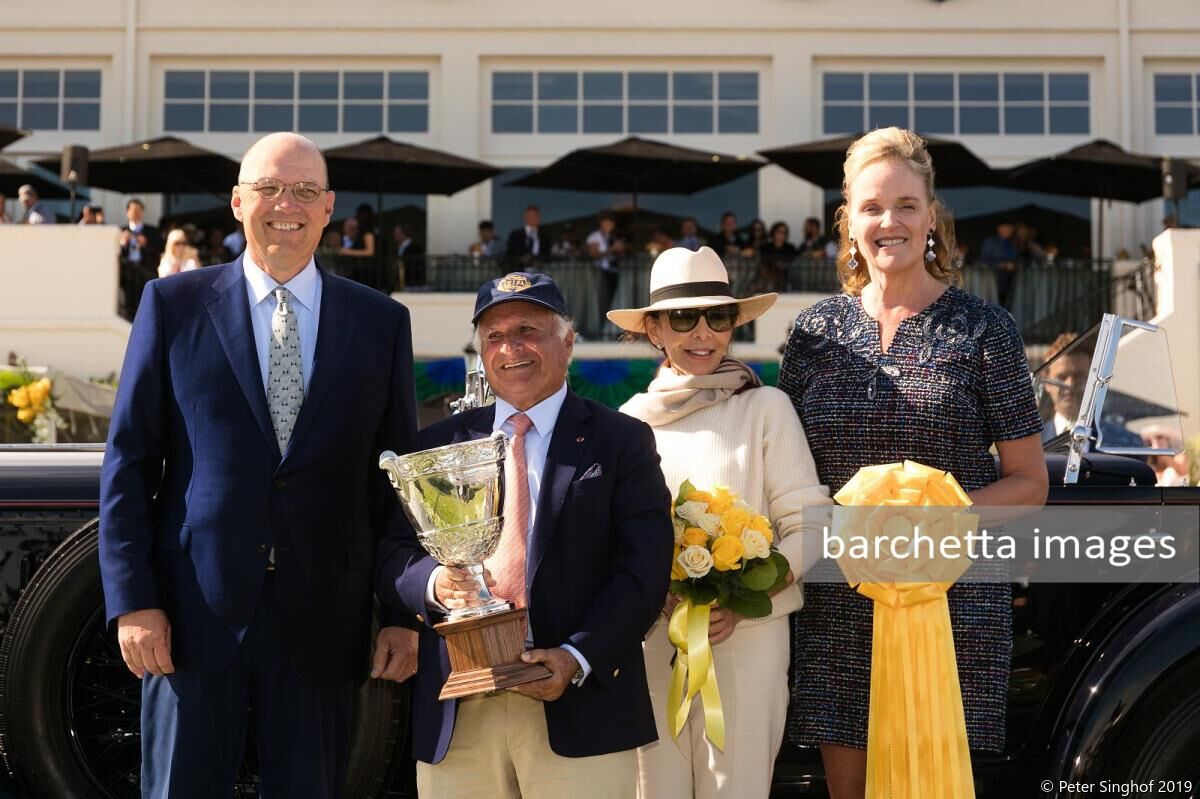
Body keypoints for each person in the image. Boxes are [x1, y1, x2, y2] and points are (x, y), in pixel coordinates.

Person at [99, 131, 420, 798]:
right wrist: (133, 599)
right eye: (271, 188)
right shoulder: (171, 307)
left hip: (326, 618)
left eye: (305, 190)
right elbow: (129, 461)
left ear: (329, 206)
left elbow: (396, 480)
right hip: (190, 615)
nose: (287, 205)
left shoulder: (381, 322)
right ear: (238, 200)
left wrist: (400, 612)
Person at [778, 127, 1048, 799]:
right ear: (849, 221)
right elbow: (784, 473)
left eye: (905, 204)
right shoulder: (811, 335)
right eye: (871, 206)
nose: (888, 221)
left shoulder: (987, 329)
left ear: (932, 215)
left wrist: (928, 521)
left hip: (950, 608)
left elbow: (1030, 482)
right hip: (839, 607)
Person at [376, 271, 674, 799]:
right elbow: (394, 554)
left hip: (579, 705)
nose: (510, 348)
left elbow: (643, 572)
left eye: (528, 330)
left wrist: (575, 658)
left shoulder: (621, 440)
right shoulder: (439, 445)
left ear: (567, 341)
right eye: (494, 336)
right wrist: (434, 583)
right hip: (459, 711)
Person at [608, 246, 831, 799]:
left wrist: (742, 600)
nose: (702, 332)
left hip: (750, 642)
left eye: (719, 317)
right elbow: (610, 543)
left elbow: (810, 526)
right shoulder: (626, 422)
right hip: (650, 643)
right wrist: (653, 596)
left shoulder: (768, 408)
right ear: (655, 329)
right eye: (684, 318)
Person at [119, 198, 162, 318]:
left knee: (146, 301)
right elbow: (117, 255)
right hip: (127, 273)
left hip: (146, 271)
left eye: (139, 210)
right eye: (133, 210)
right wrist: (123, 243)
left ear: (143, 212)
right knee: (129, 303)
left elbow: (159, 250)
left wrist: (145, 244)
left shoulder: (152, 231)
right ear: (127, 213)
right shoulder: (121, 230)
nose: (136, 213)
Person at [980, 220, 1018, 307]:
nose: (1009, 231)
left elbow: (1017, 259)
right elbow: (984, 260)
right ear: (999, 228)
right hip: (994, 279)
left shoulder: (1013, 243)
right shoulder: (991, 242)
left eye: (1010, 228)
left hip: (1011, 280)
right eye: (1006, 228)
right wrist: (1002, 265)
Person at [757, 220, 797, 291]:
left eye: (784, 233)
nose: (781, 235)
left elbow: (793, 263)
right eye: (779, 232)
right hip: (768, 276)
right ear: (773, 232)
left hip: (785, 275)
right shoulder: (765, 247)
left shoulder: (790, 248)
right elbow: (762, 261)